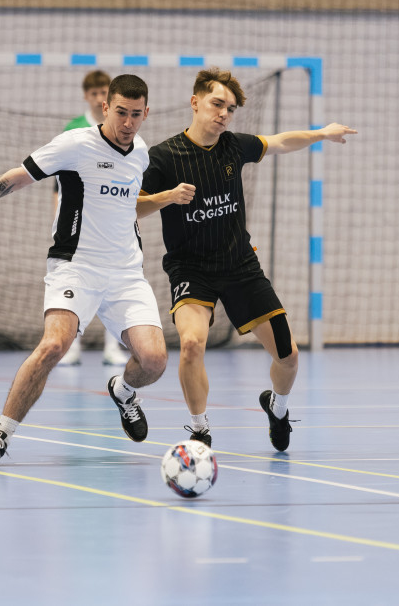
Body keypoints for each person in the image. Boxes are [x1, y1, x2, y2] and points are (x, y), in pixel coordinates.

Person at [0, 75, 171, 465]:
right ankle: (0, 436)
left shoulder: (140, 153)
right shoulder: (76, 144)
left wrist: (164, 200)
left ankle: (124, 391)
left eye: (136, 115)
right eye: (121, 112)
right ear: (105, 108)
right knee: (53, 345)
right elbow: (14, 178)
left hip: (126, 274)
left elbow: (128, 206)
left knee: (155, 360)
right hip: (75, 267)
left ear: (147, 113)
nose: (128, 123)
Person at [138, 67, 356, 450]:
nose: (224, 113)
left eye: (231, 108)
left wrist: (321, 133)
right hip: (191, 269)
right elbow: (132, 208)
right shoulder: (163, 157)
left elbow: (281, 141)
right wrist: (166, 198)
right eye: (217, 103)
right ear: (195, 102)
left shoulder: (234, 146)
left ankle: (278, 406)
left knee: (288, 356)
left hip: (240, 266)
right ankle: (199, 429)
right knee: (191, 344)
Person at [57, 69, 130, 367]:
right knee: (75, 283)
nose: (100, 98)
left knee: (114, 282)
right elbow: (59, 181)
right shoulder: (74, 129)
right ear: (87, 97)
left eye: (105, 93)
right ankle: (71, 345)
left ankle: (112, 346)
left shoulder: (122, 130)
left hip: (110, 221)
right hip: (78, 222)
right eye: (95, 93)